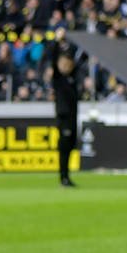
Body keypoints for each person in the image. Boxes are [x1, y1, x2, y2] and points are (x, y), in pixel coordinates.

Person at [52, 50, 82, 188]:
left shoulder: (72, 78)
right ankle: (63, 177)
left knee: (70, 149)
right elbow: (53, 58)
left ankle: (66, 177)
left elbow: (79, 61)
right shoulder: (58, 78)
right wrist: (57, 42)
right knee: (64, 150)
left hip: (73, 119)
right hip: (64, 120)